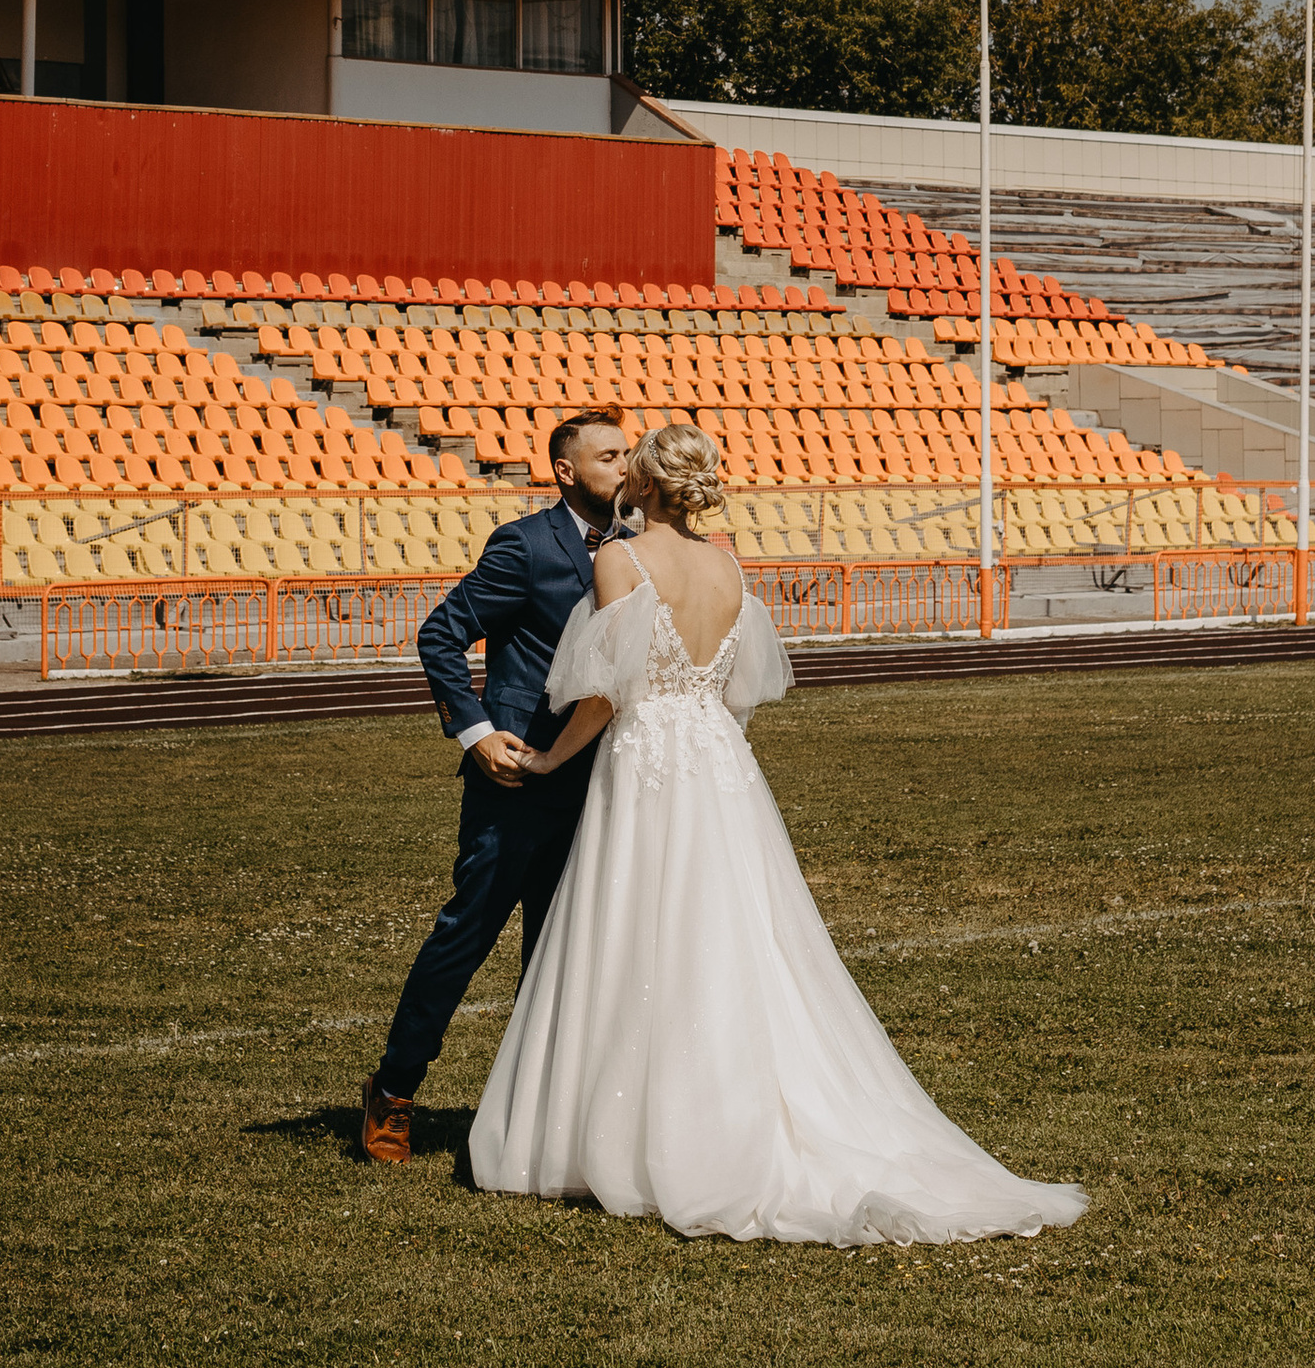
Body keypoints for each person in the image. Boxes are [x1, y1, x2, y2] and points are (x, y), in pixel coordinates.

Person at [466, 422, 1090, 1247]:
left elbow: (606, 691)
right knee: (731, 935)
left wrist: (549, 761)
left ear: (643, 486)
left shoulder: (618, 560)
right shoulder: (728, 567)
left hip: (649, 756)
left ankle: (636, 1127)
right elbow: (732, 690)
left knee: (637, 932)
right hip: (716, 762)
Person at [359, 409, 631, 1165]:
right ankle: (394, 1090)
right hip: (516, 776)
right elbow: (440, 633)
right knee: (465, 938)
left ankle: (535, 1108)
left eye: (631, 451)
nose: (626, 464)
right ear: (567, 471)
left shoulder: (644, 546)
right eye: (609, 455)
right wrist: (475, 733)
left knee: (564, 951)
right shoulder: (525, 545)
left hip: (610, 781)